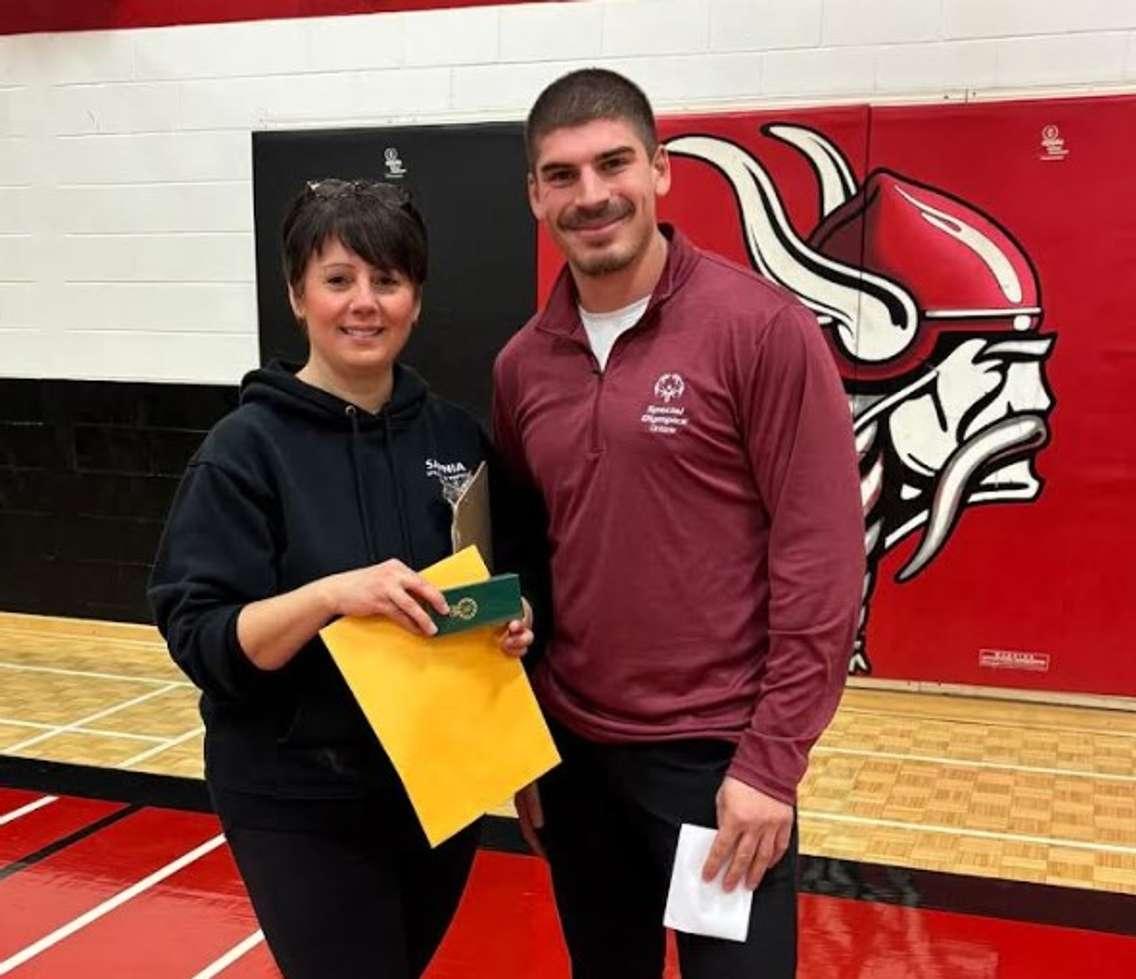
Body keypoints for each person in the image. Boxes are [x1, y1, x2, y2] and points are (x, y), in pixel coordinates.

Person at [491, 70, 865, 978]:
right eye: (563, 174)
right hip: (577, 764)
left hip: (715, 768)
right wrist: (521, 742)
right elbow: (522, 565)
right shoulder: (521, 366)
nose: (592, 195)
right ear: (535, 194)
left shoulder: (761, 331)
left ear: (659, 170)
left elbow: (820, 561)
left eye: (613, 163)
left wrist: (772, 765)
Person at [149, 178, 533, 979]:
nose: (365, 302)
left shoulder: (457, 439)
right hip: (298, 796)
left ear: (416, 301)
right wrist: (331, 597)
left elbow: (487, 587)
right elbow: (202, 636)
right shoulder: (243, 450)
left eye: (387, 280)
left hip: (439, 782)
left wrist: (510, 618)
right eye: (338, 279)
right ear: (298, 296)